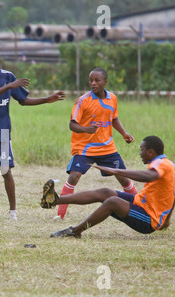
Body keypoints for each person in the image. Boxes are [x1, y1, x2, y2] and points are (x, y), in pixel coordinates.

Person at [0, 42, 66, 220]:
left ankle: (13, 212)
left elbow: (23, 100)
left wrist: (46, 99)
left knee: (6, 172)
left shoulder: (8, 76)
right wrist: (8, 87)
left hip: (2, 133)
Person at [41, 136, 175, 238]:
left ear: (151, 152)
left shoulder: (163, 164)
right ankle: (53, 200)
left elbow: (148, 176)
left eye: (142, 150)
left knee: (112, 202)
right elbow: (173, 194)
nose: (140, 153)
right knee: (105, 192)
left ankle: (75, 231)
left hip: (149, 219)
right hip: (141, 204)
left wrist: (116, 171)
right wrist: (167, 220)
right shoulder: (164, 164)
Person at [55, 67, 137, 220]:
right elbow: (72, 125)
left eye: (97, 80)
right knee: (73, 177)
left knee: (124, 178)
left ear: (105, 82)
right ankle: (60, 215)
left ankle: (142, 206)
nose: (93, 83)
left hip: (107, 148)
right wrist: (86, 129)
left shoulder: (112, 98)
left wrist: (124, 133)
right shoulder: (82, 100)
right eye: (91, 80)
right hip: (85, 149)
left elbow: (114, 118)